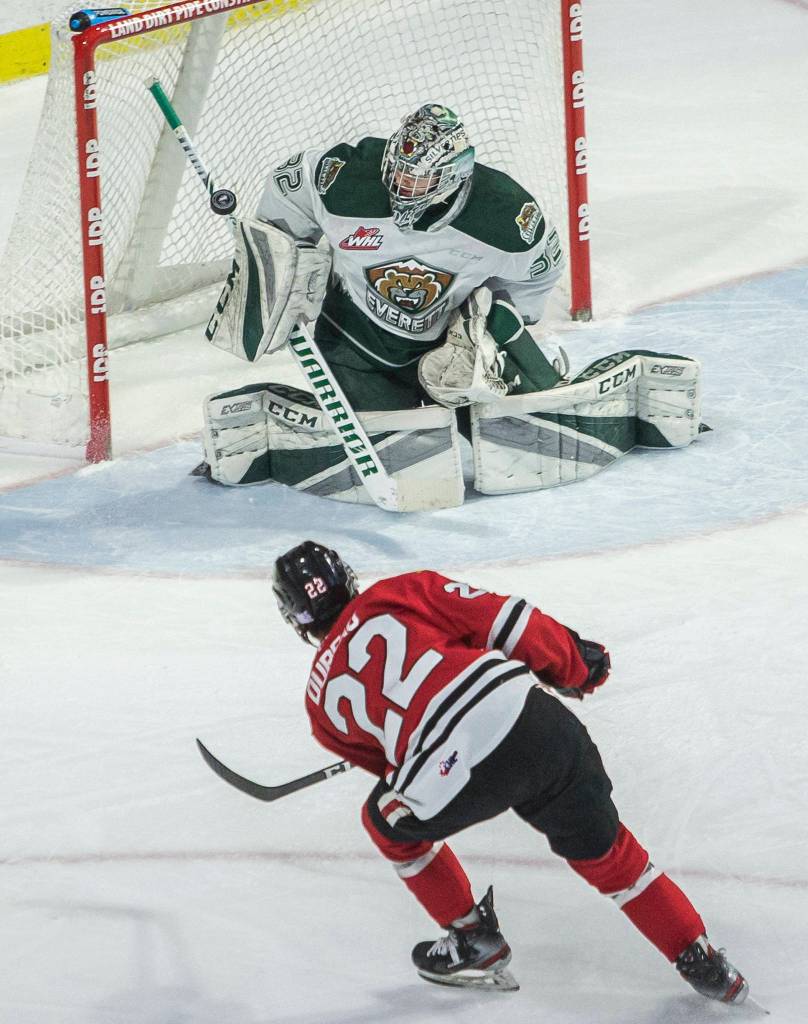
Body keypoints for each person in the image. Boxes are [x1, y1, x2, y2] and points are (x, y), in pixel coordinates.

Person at [271, 539, 749, 1003]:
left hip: (453, 768)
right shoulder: (399, 591)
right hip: (532, 717)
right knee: (611, 856)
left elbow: (397, 773)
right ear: (347, 578)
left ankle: (471, 937)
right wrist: (575, 665)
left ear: (296, 617)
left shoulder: (319, 703)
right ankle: (702, 960)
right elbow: (505, 619)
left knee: (386, 823)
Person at [198, 106, 703, 503]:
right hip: (355, 341)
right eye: (398, 170)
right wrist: (280, 260)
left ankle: (550, 391)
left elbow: (537, 276)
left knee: (528, 425)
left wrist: (485, 332)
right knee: (404, 454)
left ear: (453, 176)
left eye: (416, 179)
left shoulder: (504, 214)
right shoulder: (345, 177)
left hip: (446, 345)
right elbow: (288, 190)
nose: (400, 185)